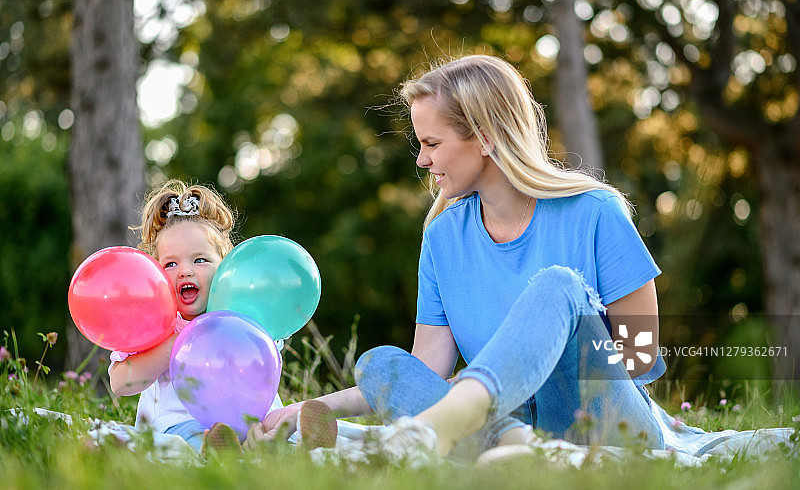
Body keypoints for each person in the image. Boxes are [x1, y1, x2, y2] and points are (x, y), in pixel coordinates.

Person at [246, 54, 666, 461]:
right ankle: (507, 444)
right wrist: (313, 408)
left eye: (432, 142)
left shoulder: (594, 212)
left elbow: (640, 359)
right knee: (379, 365)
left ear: (485, 137)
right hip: (512, 425)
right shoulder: (442, 237)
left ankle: (449, 430)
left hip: (609, 423)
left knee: (560, 285)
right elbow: (426, 369)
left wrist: (532, 358)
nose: (421, 159)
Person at [108, 179, 283, 453]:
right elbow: (120, 384)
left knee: (277, 426)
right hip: (181, 426)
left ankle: (294, 436)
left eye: (200, 260)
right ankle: (219, 451)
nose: (185, 271)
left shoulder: (240, 318)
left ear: (225, 266)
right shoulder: (155, 327)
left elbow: (265, 367)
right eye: (170, 264)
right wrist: (179, 340)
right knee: (188, 442)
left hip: (253, 420)